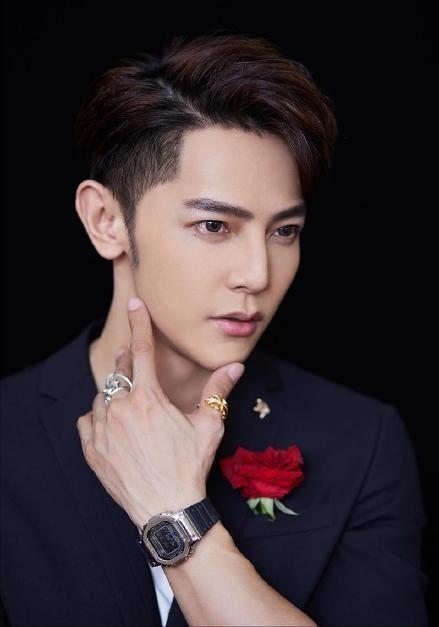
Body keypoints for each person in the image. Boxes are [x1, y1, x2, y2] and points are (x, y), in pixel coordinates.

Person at [0, 33, 429, 627]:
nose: (258, 274)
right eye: (213, 226)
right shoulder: (9, 431)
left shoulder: (360, 440)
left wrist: (175, 511)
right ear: (106, 220)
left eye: (284, 231)